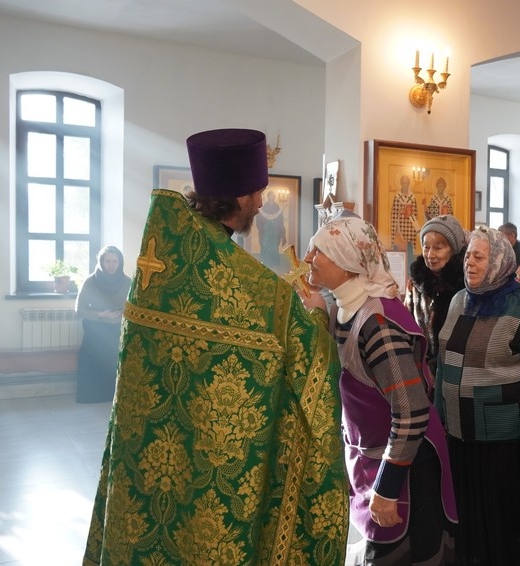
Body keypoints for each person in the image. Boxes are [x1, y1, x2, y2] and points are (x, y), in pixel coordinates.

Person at [83, 128, 348, 565]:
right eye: (257, 193)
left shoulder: (158, 263)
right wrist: (319, 316)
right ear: (238, 197)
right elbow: (309, 355)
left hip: (145, 466)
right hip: (208, 470)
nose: (261, 204)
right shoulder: (249, 284)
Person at [301, 215, 457, 565]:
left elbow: (412, 412)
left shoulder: (378, 325)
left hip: (405, 467)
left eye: (319, 250)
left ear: (348, 261)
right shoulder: (344, 309)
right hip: (372, 456)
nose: (309, 257)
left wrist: (387, 487)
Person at [436, 225, 520, 565]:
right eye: (468, 256)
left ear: (500, 261)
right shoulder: (459, 301)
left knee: (504, 524)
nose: (469, 263)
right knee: (467, 519)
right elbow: (444, 363)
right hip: (460, 433)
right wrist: (440, 416)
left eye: (479, 257)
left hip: (505, 440)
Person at [405, 214, 469, 376]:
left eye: (438, 248)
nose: (430, 254)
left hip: (459, 370)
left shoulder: (466, 286)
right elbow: (407, 326)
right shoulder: (416, 284)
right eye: (426, 247)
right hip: (421, 369)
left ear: (453, 250)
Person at [74, 245, 131, 403]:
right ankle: (93, 396)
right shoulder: (90, 281)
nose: (111, 265)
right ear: (101, 262)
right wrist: (100, 315)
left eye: (115, 261)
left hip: (119, 327)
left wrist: (123, 312)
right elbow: (80, 309)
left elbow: (134, 305)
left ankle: (116, 395)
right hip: (96, 328)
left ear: (120, 263)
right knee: (94, 357)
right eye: (107, 261)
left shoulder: (127, 282)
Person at [391, 174, 420, 249]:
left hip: (410, 226)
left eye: (407, 183)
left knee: (410, 247)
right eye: (404, 183)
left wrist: (410, 213)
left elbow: (415, 213)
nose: (405, 185)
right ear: (401, 183)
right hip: (400, 225)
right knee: (400, 246)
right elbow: (394, 212)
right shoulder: (397, 196)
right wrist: (400, 211)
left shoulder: (412, 197)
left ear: (409, 184)